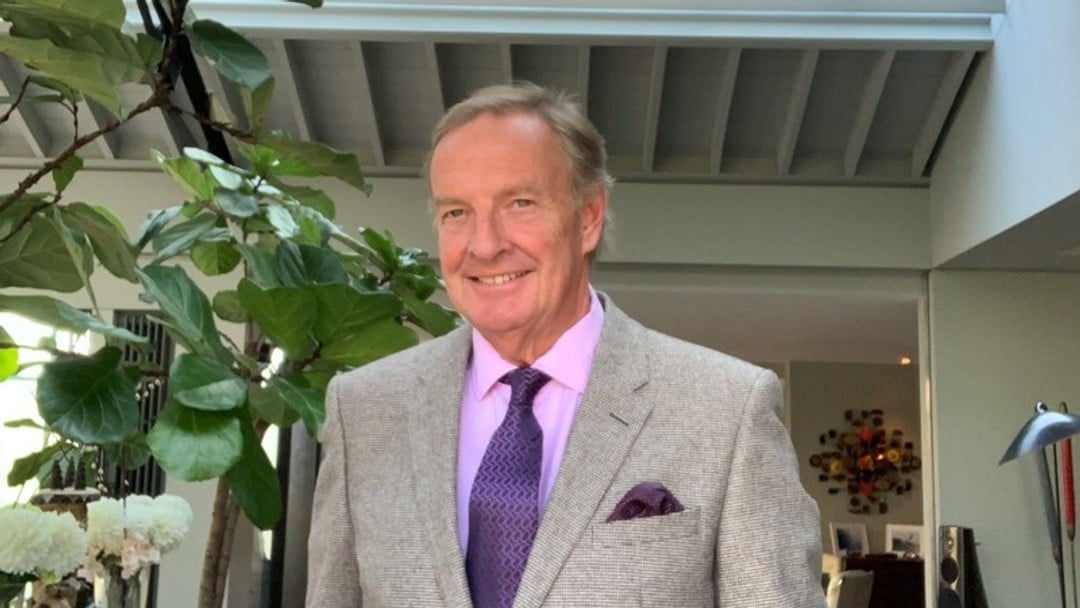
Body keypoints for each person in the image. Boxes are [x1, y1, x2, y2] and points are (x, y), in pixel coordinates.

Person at [307, 82, 825, 607]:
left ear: (589, 216)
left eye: (520, 203)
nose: (485, 245)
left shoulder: (726, 410)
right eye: (456, 212)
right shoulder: (364, 411)